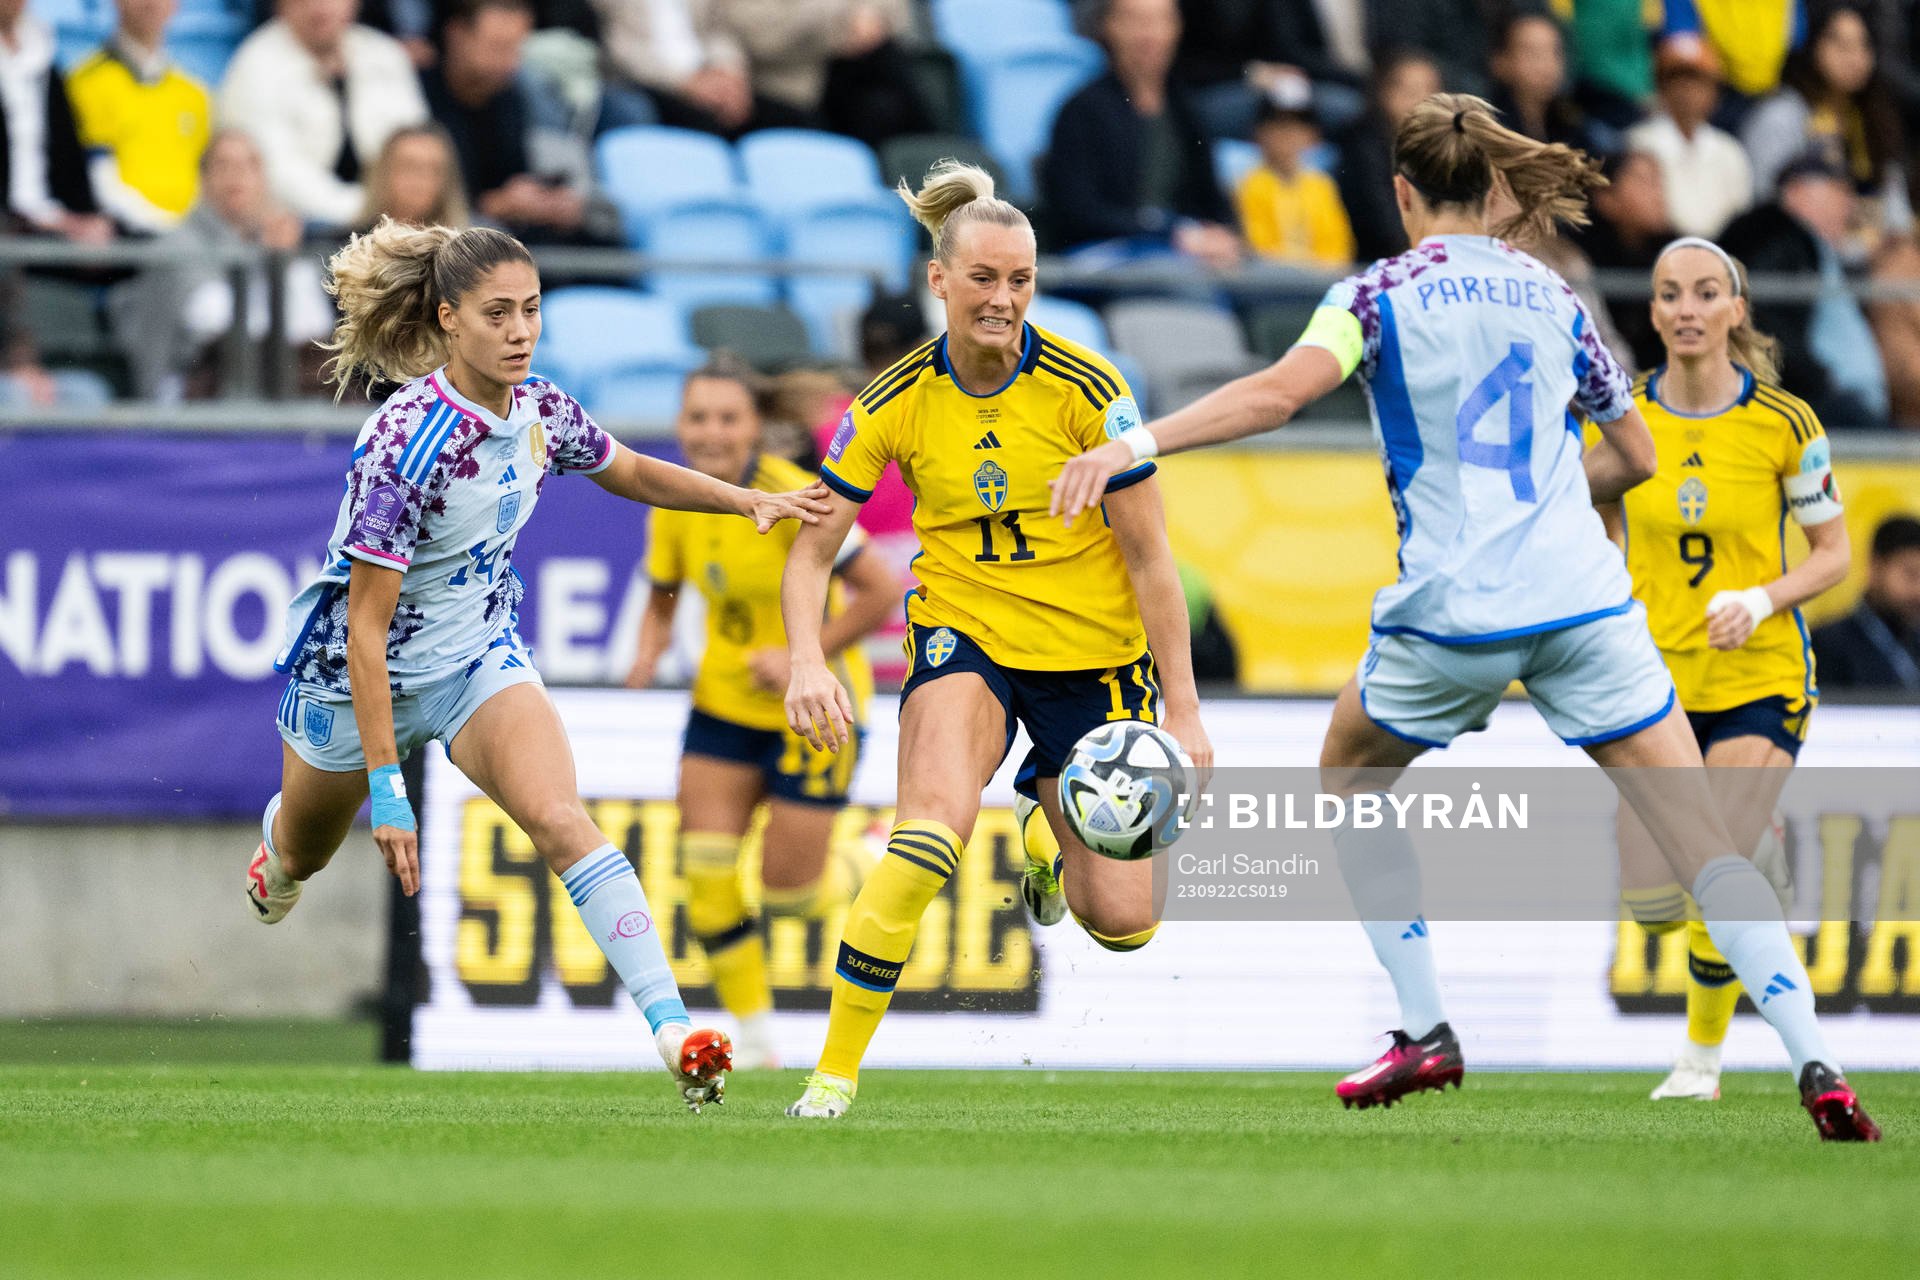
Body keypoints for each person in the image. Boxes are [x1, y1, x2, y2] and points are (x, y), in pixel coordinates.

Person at [1052, 94, 1879, 1141]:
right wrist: (1556, 501)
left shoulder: (1375, 294)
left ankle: (1424, 1025)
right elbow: (1634, 456)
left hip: (1453, 613)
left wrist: (1133, 443)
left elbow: (1273, 395)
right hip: (1585, 601)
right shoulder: (1555, 292)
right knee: (1705, 838)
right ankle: (1819, 1062)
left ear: (1401, 193)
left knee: (1351, 770)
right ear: (1493, 191)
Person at [248, 217, 831, 1109]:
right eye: (498, 314)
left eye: (532, 310)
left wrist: (743, 497)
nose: (521, 331)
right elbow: (366, 631)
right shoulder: (406, 444)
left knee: (562, 817)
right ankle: (278, 852)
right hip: (355, 680)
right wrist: (389, 788)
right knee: (301, 854)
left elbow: (629, 469)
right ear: (448, 319)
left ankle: (675, 1030)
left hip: (479, 658)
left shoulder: (540, 409)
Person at [780, 160, 1213, 1119]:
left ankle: (1046, 840)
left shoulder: (1089, 391)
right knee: (927, 833)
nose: (1004, 298)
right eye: (984, 278)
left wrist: (1182, 710)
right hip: (964, 636)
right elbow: (813, 554)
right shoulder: (891, 402)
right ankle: (833, 1076)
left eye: (1020, 280)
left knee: (1125, 926)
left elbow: (1151, 561)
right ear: (940, 280)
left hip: (1095, 664)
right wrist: (809, 658)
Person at [1604, 236, 1850, 1103]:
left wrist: (1765, 599)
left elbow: (1834, 554)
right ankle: (1752, 872)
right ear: (1654, 311)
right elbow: (1594, 511)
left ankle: (1700, 1063)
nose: (1686, 310)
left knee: (1719, 863)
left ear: (1737, 310)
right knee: (1654, 899)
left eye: (1707, 294)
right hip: (1651, 683)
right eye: (1671, 295)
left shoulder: (1786, 424)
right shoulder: (1622, 413)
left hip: (1759, 675)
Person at [626, 355, 898, 1070]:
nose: (710, 433)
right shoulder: (678, 501)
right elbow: (662, 595)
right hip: (722, 702)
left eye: (727, 418)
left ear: (756, 427)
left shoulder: (794, 496)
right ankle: (756, 1040)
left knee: (789, 896)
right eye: (697, 417)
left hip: (814, 707)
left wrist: (801, 655)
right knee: (706, 874)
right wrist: (645, 657)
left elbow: (879, 593)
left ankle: (866, 851)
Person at [111, 129, 335, 400]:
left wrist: (283, 262)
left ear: (264, 181)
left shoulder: (279, 244)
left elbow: (314, 327)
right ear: (203, 179)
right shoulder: (176, 245)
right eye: (223, 165)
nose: (236, 176)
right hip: (184, 395)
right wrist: (273, 265)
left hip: (270, 390)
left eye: (249, 165)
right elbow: (218, 326)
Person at [1040, 0, 1238, 268]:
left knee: (1279, 283)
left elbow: (1212, 201)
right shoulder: (1081, 110)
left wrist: (1221, 235)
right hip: (1108, 253)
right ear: (1108, 27)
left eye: (1161, 21)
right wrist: (1170, 232)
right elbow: (1078, 212)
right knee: (1182, 278)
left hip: (1182, 251)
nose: (1150, 35)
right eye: (1136, 22)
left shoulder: (1185, 109)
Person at [219, 0, 429, 230]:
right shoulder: (254, 67)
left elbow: (419, 148)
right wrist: (373, 210)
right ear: (280, 5)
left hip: (395, 224)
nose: (320, 8)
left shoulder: (386, 55)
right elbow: (280, 176)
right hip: (300, 236)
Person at [1721, 156, 1889, 428]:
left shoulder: (1820, 250)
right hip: (1818, 404)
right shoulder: (1776, 236)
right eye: (1835, 193)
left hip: (1846, 401)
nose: (1846, 207)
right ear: (1796, 191)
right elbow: (1765, 321)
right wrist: (1819, 381)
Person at [423, 0, 604, 246]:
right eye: (497, 47)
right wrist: (499, 204)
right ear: (457, 34)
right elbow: (422, 197)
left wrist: (544, 201)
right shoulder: (418, 97)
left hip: (507, 230)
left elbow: (516, 175)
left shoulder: (511, 97)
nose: (510, 63)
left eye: (517, 49)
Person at [1740, 4, 1909, 235]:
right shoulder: (1782, 115)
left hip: (1870, 255)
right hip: (1799, 254)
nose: (1854, 57)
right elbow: (1760, 199)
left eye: (1863, 45)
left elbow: (1896, 211)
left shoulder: (1874, 121)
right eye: (1841, 45)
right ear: (1813, 45)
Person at [65, 0, 213, 235]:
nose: (151, 3)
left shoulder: (194, 93)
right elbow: (100, 180)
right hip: (131, 242)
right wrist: (169, 229)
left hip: (193, 239)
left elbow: (206, 183)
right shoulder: (86, 83)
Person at [0, 0, 113, 242]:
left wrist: (82, 215)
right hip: (12, 220)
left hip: (46, 216)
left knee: (115, 249)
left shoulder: (44, 60)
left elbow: (67, 152)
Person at [1626, 37, 1753, 239]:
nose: (1687, 91)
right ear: (1661, 87)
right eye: (1677, 80)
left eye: (1697, 82)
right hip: (1659, 252)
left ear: (1714, 92)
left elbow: (1741, 219)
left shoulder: (1729, 150)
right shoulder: (1638, 142)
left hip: (1720, 252)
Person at [1333, 47, 1441, 263]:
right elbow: (1383, 226)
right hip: (1378, 264)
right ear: (1384, 93)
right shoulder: (1362, 144)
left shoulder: (1444, 145)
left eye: (1431, 92)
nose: (1422, 103)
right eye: (1411, 93)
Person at [1235, 83, 1356, 267]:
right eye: (1279, 125)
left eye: (1298, 126)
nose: (1288, 135)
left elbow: (1338, 245)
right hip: (1270, 282)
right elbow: (1258, 245)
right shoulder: (1249, 184)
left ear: (1312, 135)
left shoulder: (1321, 185)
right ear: (1259, 133)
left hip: (1320, 281)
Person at [1812, 514, 1920, 689]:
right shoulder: (1827, 646)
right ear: (1875, 567)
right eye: (1910, 574)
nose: (1918, 590)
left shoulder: (1914, 641)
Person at [1486, 12, 1612, 156]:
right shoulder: (1488, 126)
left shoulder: (1571, 123)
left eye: (1554, 52)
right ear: (1500, 62)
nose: (1546, 65)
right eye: (1532, 53)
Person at [360, 123, 471, 229]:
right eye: (409, 166)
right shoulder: (352, 245)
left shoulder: (465, 245)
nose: (421, 179)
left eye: (434, 169)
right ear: (384, 173)